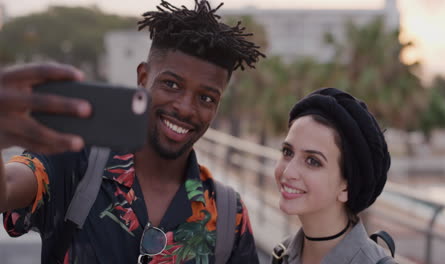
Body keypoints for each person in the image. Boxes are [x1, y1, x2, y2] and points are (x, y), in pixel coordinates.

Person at [0, 0, 265, 263]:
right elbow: (8, 188)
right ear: (142, 78)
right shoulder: (73, 162)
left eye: (206, 98)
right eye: (171, 84)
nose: (185, 108)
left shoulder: (229, 214)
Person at [271, 87, 393, 264]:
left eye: (313, 161)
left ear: (346, 187)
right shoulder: (281, 256)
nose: (288, 172)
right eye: (287, 152)